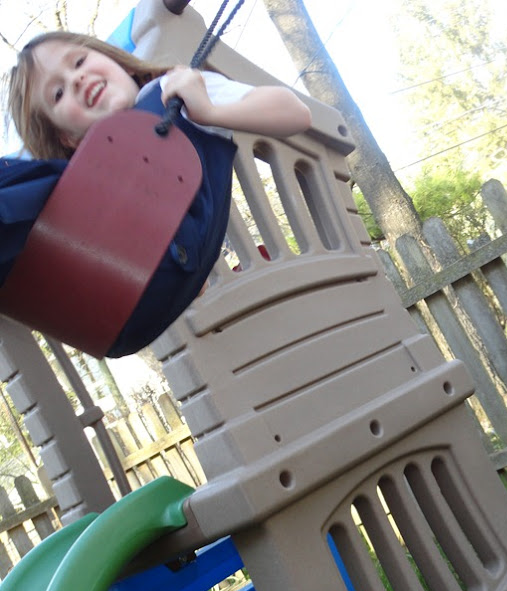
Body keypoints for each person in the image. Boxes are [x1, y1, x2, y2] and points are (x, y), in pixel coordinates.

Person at [4, 31, 312, 357]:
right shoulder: (75, 186)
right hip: (110, 299)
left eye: (79, 62)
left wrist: (208, 111)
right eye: (58, 93)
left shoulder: (173, 91)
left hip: (146, 286)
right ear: (67, 137)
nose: (76, 79)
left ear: (117, 62)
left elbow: (295, 113)